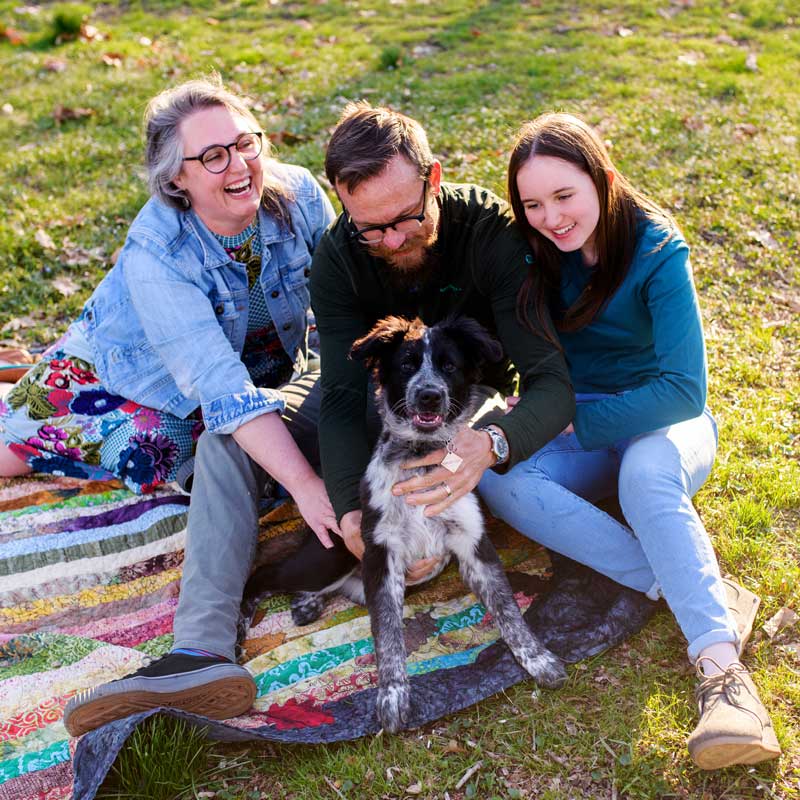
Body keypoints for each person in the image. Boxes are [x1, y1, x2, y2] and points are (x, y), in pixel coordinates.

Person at [0, 76, 340, 736]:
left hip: (242, 375)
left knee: (226, 445)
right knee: (17, 450)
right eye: (213, 156)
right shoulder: (157, 249)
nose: (240, 165)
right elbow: (221, 390)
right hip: (126, 377)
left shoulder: (300, 200)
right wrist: (305, 485)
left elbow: (342, 319)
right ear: (176, 178)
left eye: (246, 143)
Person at [478, 112, 781, 769]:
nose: (551, 218)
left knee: (645, 477)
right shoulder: (529, 252)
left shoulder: (656, 250)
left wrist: (570, 422)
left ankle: (725, 679)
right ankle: (692, 585)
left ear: (603, 179)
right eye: (532, 204)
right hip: (572, 419)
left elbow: (684, 390)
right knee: (499, 474)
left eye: (564, 196)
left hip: (662, 421)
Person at [309, 102, 574, 580]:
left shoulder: (491, 233)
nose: (391, 241)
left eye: (406, 218)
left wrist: (493, 442)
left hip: (472, 398)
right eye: (369, 228)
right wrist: (349, 510)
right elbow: (342, 399)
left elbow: (551, 380)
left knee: (435, 466)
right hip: (381, 397)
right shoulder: (337, 258)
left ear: (433, 178)